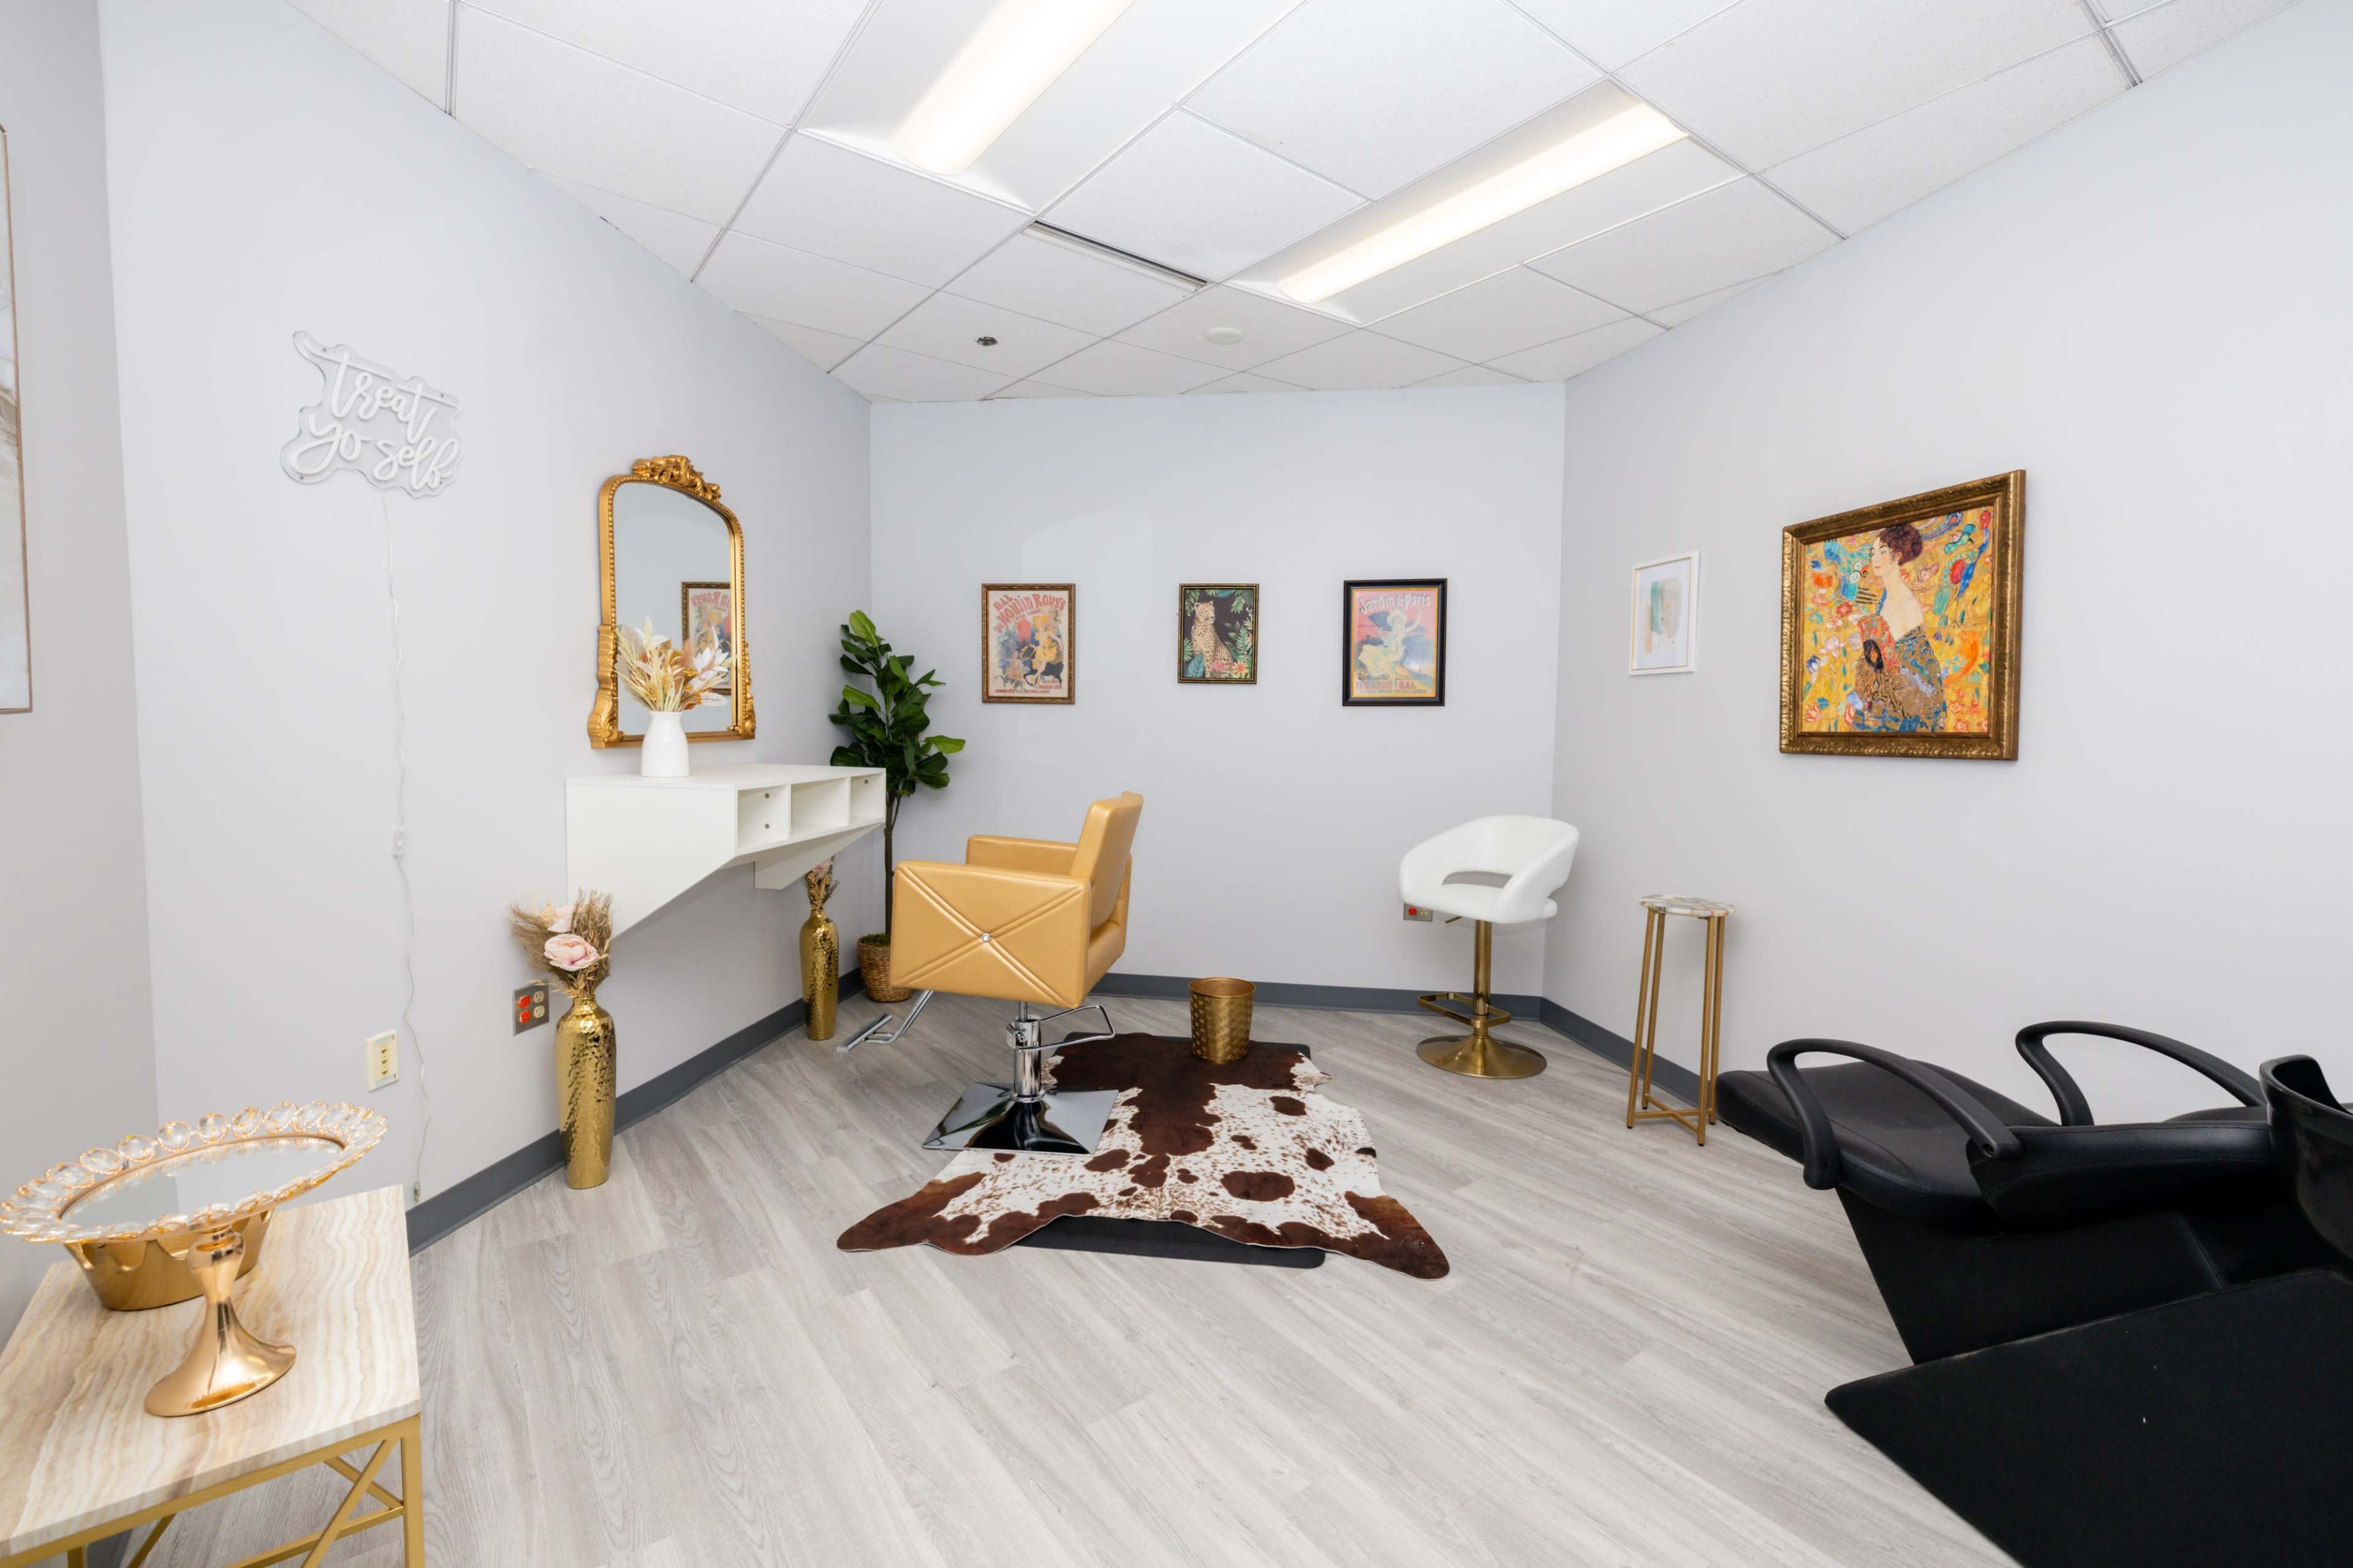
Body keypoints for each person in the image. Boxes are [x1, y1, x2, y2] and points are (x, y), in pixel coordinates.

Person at [1846, 522, 1947, 731]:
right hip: (1883, 695)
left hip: (1902, 702)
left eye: (1883, 552)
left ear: (1898, 556)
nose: (1875, 559)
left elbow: (1903, 661)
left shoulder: (1906, 603)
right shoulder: (1885, 598)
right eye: (1873, 553)